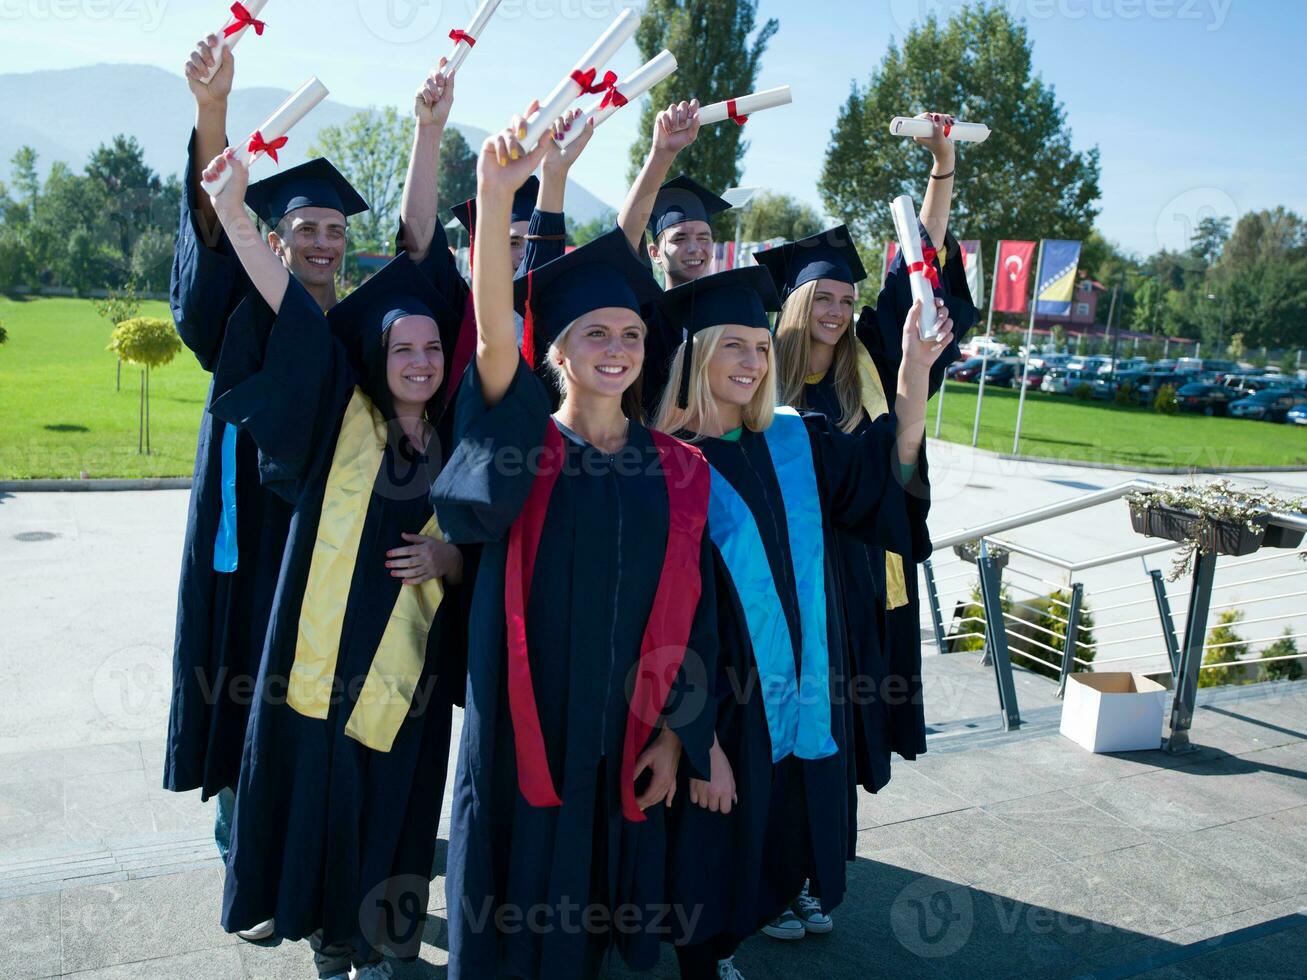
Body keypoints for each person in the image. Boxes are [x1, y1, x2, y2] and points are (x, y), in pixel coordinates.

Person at [167, 39, 457, 943]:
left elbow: (420, 254)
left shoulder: (375, 333)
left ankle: (336, 887)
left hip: (343, 553)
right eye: (306, 230)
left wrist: (429, 132)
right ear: (281, 237)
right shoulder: (252, 313)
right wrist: (214, 121)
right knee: (250, 701)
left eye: (335, 230)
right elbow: (220, 241)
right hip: (257, 544)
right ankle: (248, 854)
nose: (324, 242)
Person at [429, 115, 720, 979]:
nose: (618, 349)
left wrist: (680, 734)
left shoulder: (675, 469)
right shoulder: (519, 438)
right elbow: (489, 332)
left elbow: (692, 614)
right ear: (556, 350)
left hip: (617, 740)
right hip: (523, 736)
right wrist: (494, 194)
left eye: (630, 335)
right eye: (595, 333)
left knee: (592, 932)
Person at [653, 268, 951, 978]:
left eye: (760, 347)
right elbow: (655, 628)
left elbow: (886, 469)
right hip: (720, 715)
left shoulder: (794, 441)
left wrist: (913, 367)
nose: (753, 363)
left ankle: (723, 947)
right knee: (706, 855)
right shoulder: (659, 465)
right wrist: (698, 743)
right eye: (733, 347)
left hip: (801, 702)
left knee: (774, 849)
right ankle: (703, 959)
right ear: (695, 356)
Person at [403, 87, 595, 405]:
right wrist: (428, 129)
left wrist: (555, 174)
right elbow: (418, 240)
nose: (522, 255)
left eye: (528, 242)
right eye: (512, 242)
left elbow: (540, 258)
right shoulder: (457, 308)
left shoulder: (565, 322)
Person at [617, 101, 733, 413]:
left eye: (704, 237)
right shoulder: (647, 312)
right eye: (680, 238)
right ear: (654, 253)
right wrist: (662, 153)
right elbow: (626, 236)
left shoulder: (729, 313)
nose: (695, 248)